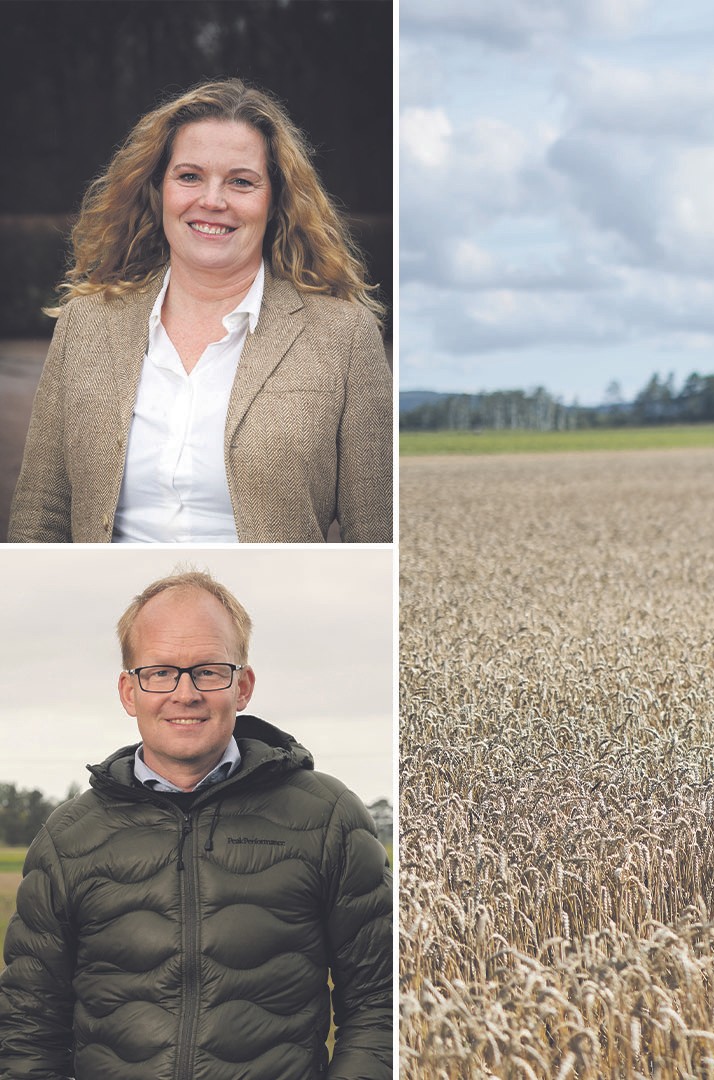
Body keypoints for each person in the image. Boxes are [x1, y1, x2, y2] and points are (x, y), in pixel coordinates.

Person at [0, 570, 391, 1078]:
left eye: (208, 670)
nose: (185, 693)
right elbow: (28, 1031)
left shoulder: (328, 818)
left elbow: (381, 1006)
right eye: (160, 672)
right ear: (128, 691)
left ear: (243, 686)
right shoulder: (67, 838)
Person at [8, 78, 391, 543]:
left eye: (241, 181)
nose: (212, 200)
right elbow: (40, 516)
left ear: (275, 201)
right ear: (159, 190)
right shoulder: (86, 323)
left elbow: (376, 531)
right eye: (189, 176)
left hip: (276, 610)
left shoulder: (343, 336)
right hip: (106, 609)